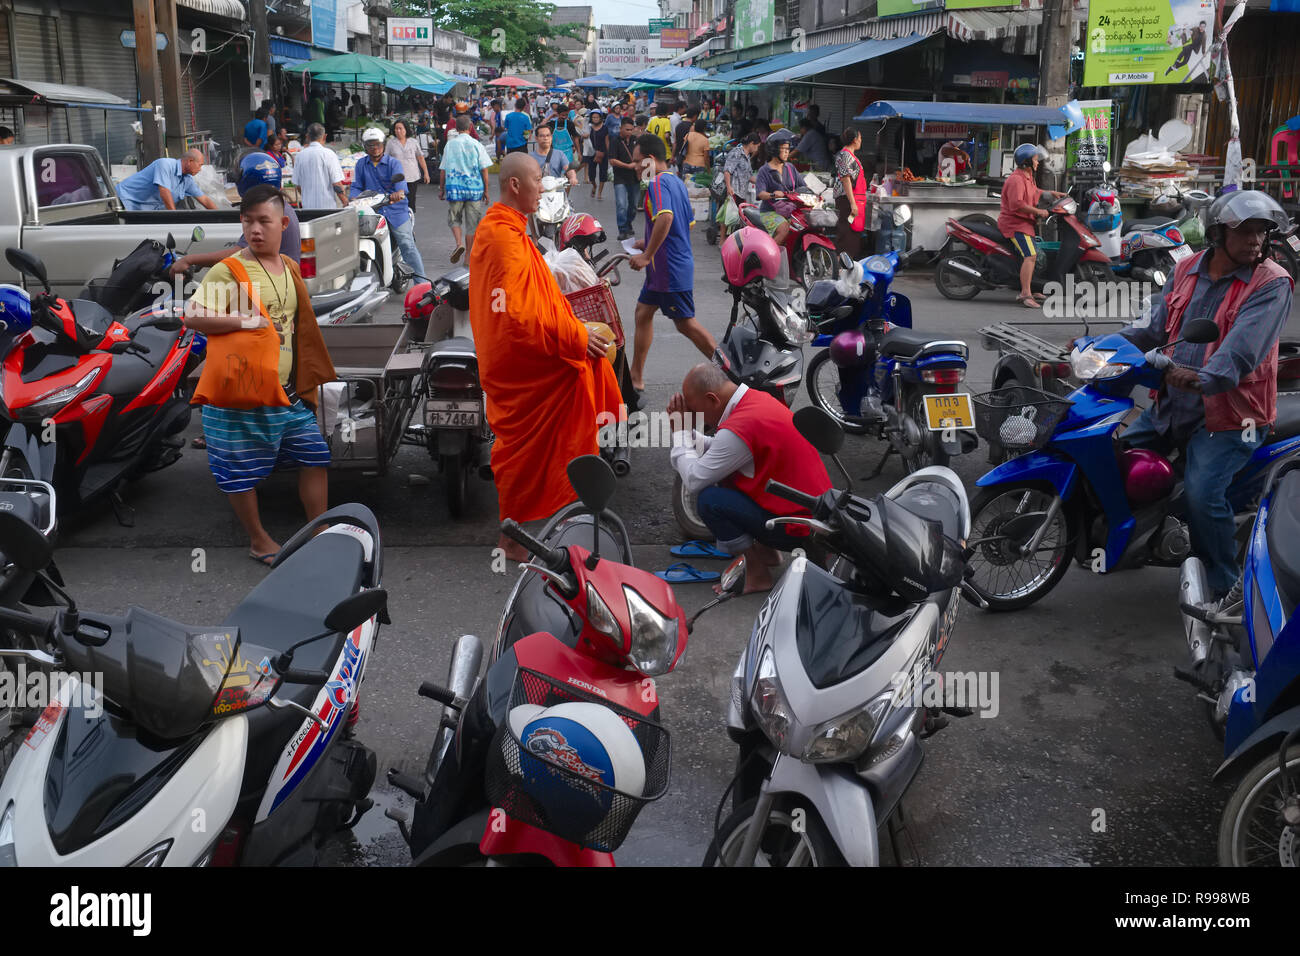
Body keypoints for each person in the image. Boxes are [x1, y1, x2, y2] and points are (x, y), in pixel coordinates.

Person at [1112, 190, 1294, 601]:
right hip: (1172, 406)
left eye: (1261, 232)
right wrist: (1103, 347)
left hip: (1234, 417)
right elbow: (1151, 326)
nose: (1255, 241)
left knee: (1202, 494)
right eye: (1244, 231)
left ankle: (1226, 588)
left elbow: (1241, 352)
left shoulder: (1272, 284)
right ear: (1217, 233)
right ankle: (1137, 540)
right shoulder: (1188, 267)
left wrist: (1200, 378)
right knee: (1113, 458)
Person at [469, 153, 621, 560]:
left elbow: (536, 296)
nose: (545, 187)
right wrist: (574, 334)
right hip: (518, 363)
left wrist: (570, 324)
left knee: (583, 374)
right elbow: (516, 313)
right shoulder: (501, 235)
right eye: (538, 180)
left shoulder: (512, 229)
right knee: (531, 435)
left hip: (526, 350)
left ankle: (557, 513)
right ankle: (514, 535)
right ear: (515, 185)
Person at [182, 183, 336, 566]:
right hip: (240, 391)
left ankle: (319, 531)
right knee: (241, 470)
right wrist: (241, 320)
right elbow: (193, 316)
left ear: (283, 223)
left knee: (314, 455)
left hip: (283, 389)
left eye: (264, 221)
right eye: (248, 221)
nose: (255, 229)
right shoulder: (229, 270)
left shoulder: (288, 267)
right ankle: (259, 540)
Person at [669, 362, 832, 594]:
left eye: (696, 411)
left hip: (800, 530)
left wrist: (680, 434)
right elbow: (721, 449)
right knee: (729, 477)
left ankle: (757, 574)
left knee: (710, 500)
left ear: (713, 399)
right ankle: (767, 553)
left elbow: (694, 480)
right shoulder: (755, 400)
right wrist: (685, 433)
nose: (697, 418)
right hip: (812, 517)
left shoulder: (741, 427)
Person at [628, 133, 717, 399]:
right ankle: (636, 376)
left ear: (650, 160)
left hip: (668, 269)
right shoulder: (675, 182)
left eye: (636, 162)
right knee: (643, 313)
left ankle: (730, 370)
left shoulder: (656, 183)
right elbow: (685, 223)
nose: (634, 167)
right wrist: (646, 241)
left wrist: (647, 255)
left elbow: (666, 218)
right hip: (664, 268)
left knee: (685, 323)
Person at [352, 126, 425, 285]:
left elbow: (401, 186)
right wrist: (352, 198)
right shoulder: (361, 165)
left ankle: (423, 285)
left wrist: (397, 193)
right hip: (372, 211)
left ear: (383, 145)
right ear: (365, 147)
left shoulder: (394, 164)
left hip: (395, 210)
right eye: (371, 145)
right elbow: (357, 186)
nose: (375, 148)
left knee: (406, 244)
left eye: (377, 144)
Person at [998, 143, 1066, 308]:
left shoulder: (1027, 177)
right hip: (1015, 225)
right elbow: (1017, 205)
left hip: (1025, 224)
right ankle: (1025, 294)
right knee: (1031, 256)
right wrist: (1038, 212)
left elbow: (1034, 192)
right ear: (1027, 162)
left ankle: (1031, 287)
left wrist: (1050, 194)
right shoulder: (1016, 180)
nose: (1038, 163)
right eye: (1035, 160)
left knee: (1039, 257)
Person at [440, 114, 493, 263]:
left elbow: (443, 169)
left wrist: (441, 189)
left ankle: (459, 244)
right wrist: (486, 191)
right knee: (473, 225)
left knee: (454, 219)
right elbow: (484, 170)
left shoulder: (450, 145)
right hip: (474, 190)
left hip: (454, 189)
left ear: (456, 129)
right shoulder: (476, 144)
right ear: (470, 127)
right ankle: (468, 256)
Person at [117, 150, 217, 211]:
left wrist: (222, 217)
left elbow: (204, 199)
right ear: (190, 161)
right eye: (200, 165)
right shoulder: (165, 164)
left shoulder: (187, 180)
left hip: (139, 210)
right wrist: (174, 218)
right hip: (123, 200)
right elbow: (164, 192)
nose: (200, 169)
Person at [753, 139, 805, 247]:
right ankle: (770, 257)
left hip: (791, 209)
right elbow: (760, 194)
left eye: (788, 149)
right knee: (784, 229)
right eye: (784, 149)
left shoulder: (790, 168)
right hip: (770, 211)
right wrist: (773, 195)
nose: (787, 152)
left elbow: (803, 186)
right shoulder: (764, 170)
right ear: (775, 150)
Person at [833, 126, 868, 259]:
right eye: (860, 138)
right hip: (847, 200)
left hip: (854, 200)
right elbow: (846, 179)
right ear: (854, 140)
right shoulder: (844, 155)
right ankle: (840, 266)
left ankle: (848, 265)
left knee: (853, 234)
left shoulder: (850, 155)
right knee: (846, 233)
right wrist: (852, 203)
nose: (861, 140)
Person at [294, 123, 347, 209]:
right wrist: (345, 201)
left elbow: (298, 185)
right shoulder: (329, 154)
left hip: (308, 209)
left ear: (307, 137)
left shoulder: (299, 156)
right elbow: (336, 183)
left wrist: (307, 196)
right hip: (328, 208)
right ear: (325, 136)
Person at [386, 119, 430, 213]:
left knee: (411, 202)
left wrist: (426, 173)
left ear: (406, 130)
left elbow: (420, 158)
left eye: (400, 128)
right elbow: (386, 160)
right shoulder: (391, 143)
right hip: (397, 178)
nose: (398, 131)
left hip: (412, 177)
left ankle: (410, 220)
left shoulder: (413, 142)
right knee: (399, 202)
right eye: (396, 129)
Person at [609, 117, 640, 241]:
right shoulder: (615, 140)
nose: (629, 132)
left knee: (633, 206)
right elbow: (612, 160)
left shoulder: (636, 140)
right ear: (621, 128)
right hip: (620, 177)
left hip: (635, 178)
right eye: (627, 129)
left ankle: (628, 223)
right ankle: (622, 229)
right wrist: (627, 166)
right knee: (621, 204)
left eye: (631, 130)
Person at [587, 108, 609, 200]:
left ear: (600, 118)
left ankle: (599, 192)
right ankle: (594, 186)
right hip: (591, 152)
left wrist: (609, 154)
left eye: (597, 117)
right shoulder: (588, 128)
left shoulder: (605, 128)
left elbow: (607, 141)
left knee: (603, 174)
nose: (595, 119)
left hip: (603, 153)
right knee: (591, 174)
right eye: (593, 117)